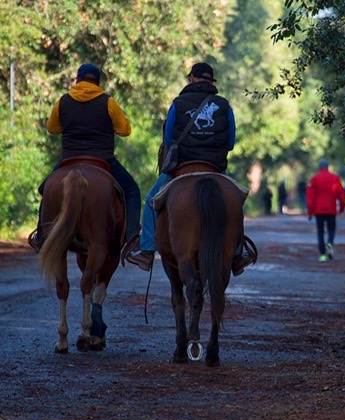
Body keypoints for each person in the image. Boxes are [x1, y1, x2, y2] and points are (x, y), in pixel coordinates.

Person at [126, 62, 255, 275]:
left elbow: (168, 139)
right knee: (236, 203)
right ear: (211, 82)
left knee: (150, 202)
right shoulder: (224, 105)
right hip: (214, 168)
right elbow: (230, 141)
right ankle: (238, 255)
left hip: (181, 167)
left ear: (192, 78)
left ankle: (147, 252)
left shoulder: (178, 104)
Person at [29, 63, 141, 251]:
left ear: (77, 80)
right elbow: (125, 130)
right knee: (132, 191)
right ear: (98, 83)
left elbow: (52, 128)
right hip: (103, 160)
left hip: (69, 159)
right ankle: (131, 239)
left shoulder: (63, 101)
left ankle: (41, 236)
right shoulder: (108, 101)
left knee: (46, 189)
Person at [306, 159, 345, 262]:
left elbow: (310, 197)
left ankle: (323, 255)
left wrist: (310, 212)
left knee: (320, 232)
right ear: (328, 167)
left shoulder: (314, 179)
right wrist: (342, 209)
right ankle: (330, 243)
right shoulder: (335, 178)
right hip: (331, 210)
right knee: (331, 229)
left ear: (319, 167)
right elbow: (341, 195)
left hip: (318, 210)